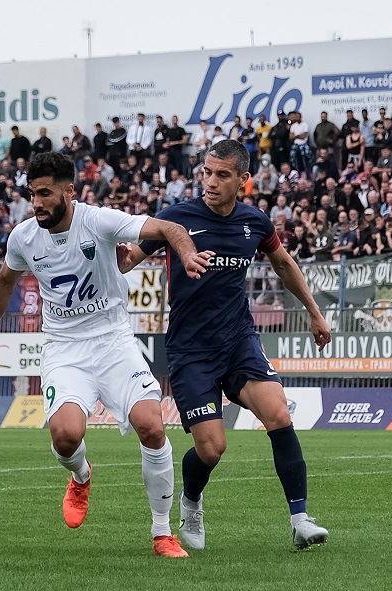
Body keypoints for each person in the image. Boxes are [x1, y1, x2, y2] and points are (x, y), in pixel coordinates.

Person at [0, 151, 212, 558]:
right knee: (66, 436)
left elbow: (169, 226)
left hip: (114, 340)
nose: (37, 202)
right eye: (32, 194)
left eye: (45, 193)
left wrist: (185, 254)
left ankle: (162, 532)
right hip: (65, 349)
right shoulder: (24, 237)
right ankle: (81, 475)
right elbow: (3, 282)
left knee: (151, 425)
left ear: (69, 191)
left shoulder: (98, 221)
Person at [118, 140, 332, 551]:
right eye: (206, 172)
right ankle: (191, 500)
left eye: (222, 175)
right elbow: (129, 260)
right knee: (213, 448)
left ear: (243, 180)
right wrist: (107, 249)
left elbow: (283, 263)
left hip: (238, 341)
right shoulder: (175, 218)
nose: (211, 182)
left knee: (278, 415)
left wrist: (314, 311)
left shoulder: (255, 222)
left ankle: (300, 520)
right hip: (190, 351)